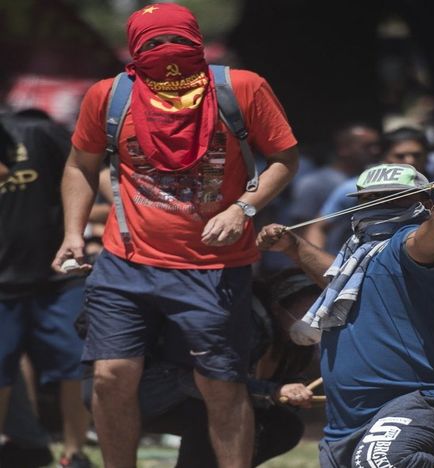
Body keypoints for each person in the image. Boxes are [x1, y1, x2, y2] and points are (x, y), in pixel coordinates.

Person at [52, 4, 299, 467]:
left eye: (178, 44)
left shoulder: (240, 88)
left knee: (221, 382)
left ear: (198, 42)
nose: (167, 56)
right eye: (152, 45)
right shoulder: (109, 96)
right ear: (133, 48)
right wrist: (71, 233)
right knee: (110, 376)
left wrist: (242, 208)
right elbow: (79, 167)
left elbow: (285, 159)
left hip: (213, 267)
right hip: (125, 262)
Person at [257, 163, 434, 467]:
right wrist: (294, 247)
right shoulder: (359, 253)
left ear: (423, 202)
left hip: (418, 402)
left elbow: (425, 242)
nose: (379, 206)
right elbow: (338, 279)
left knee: (382, 460)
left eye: (392, 198)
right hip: (346, 421)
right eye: (370, 198)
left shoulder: (410, 244)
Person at [79, 269, 321, 467]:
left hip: (172, 392)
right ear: (279, 305)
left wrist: (283, 393)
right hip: (143, 389)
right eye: (308, 310)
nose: (314, 319)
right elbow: (208, 378)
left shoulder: (288, 343)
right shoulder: (246, 322)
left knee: (278, 424)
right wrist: (272, 392)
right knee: (221, 408)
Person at [0, 110, 92, 468]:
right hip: (3, 286)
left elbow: (84, 172)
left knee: (75, 365)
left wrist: (77, 234)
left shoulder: (38, 133)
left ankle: (75, 454)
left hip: (57, 279)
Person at [306, 126, 434, 258]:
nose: (410, 161)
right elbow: (318, 228)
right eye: (375, 198)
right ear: (384, 156)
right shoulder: (356, 187)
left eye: (416, 155)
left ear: (426, 201)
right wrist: (327, 268)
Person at [287, 123, 380, 225]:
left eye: (376, 145)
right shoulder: (313, 184)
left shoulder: (374, 181)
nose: (375, 151)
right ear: (343, 149)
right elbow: (301, 226)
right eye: (367, 146)